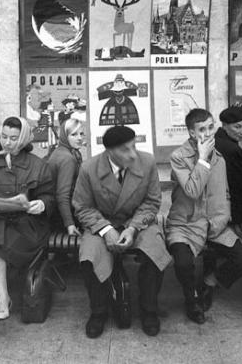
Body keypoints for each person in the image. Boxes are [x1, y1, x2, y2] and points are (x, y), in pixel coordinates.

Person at [73, 126, 171, 338]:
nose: (133, 154)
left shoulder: (147, 162)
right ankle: (98, 311)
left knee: (155, 251)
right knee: (89, 255)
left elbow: (152, 201)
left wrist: (133, 228)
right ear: (109, 151)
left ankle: (149, 309)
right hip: (101, 223)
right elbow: (82, 207)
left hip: (137, 222)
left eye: (134, 146)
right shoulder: (89, 169)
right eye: (125, 150)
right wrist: (106, 229)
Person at [167, 109, 242, 324]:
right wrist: (203, 159)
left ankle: (210, 282)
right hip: (184, 224)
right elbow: (193, 190)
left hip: (214, 223)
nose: (207, 133)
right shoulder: (179, 157)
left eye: (210, 127)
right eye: (202, 129)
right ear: (192, 133)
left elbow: (224, 193)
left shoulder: (220, 158)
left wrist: (222, 219)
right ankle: (192, 299)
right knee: (184, 263)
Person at [0, 117, 54, 329]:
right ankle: (1, 299)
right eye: (4, 137)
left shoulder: (38, 165)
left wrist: (41, 204)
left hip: (26, 226)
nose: (7, 142)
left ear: (24, 138)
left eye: (14, 138)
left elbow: (49, 196)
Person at [46, 118, 87, 236]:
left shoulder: (61, 151)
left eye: (81, 134)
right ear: (65, 136)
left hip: (58, 213)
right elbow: (62, 195)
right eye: (73, 134)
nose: (79, 138)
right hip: (61, 217)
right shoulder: (67, 159)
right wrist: (69, 224)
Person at [214, 106, 242, 226]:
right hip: (232, 211)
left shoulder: (217, 141)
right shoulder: (231, 149)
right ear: (225, 125)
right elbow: (239, 186)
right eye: (237, 127)